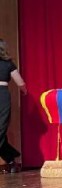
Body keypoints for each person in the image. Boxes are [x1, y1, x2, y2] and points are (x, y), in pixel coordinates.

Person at [0, 38, 26, 173]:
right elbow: (20, 83)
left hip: (2, 96)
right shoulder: (8, 64)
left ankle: (11, 159)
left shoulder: (8, 64)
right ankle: (11, 159)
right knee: (1, 130)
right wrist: (25, 91)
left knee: (0, 130)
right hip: (2, 95)